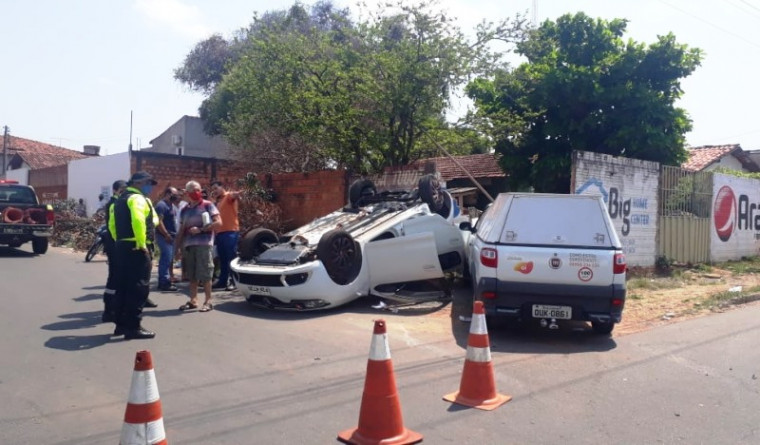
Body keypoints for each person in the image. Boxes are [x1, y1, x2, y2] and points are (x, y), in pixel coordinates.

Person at [109, 170, 160, 339]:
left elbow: (112, 225)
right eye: (148, 183)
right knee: (138, 288)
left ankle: (120, 325)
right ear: (138, 183)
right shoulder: (137, 198)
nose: (150, 187)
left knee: (122, 287)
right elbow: (138, 220)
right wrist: (141, 243)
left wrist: (119, 241)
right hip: (136, 247)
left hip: (122, 246)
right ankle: (133, 327)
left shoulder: (120, 200)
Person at [175, 180, 221, 313]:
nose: (196, 192)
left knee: (206, 274)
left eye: (198, 189)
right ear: (187, 192)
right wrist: (177, 248)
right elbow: (181, 230)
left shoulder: (208, 205)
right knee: (191, 275)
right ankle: (193, 300)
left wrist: (201, 229)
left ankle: (208, 301)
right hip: (189, 246)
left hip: (204, 244)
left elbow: (218, 222)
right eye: (193, 190)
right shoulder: (185, 210)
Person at [101, 179, 127, 323]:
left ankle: (112, 309)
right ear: (115, 190)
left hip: (115, 245)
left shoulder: (117, 202)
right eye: (121, 189)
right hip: (115, 245)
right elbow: (114, 226)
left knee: (116, 277)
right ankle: (109, 310)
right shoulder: (114, 204)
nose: (123, 191)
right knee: (115, 278)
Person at [210, 180, 240, 291]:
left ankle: (234, 281)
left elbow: (233, 195)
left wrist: (237, 194)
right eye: (213, 189)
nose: (214, 191)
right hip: (220, 233)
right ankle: (222, 281)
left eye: (216, 188)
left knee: (231, 258)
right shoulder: (218, 201)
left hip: (230, 231)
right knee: (222, 258)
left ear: (222, 187)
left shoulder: (228, 196)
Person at [155, 187, 180, 292]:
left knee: (169, 259)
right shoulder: (161, 205)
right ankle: (163, 282)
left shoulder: (172, 206)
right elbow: (158, 222)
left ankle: (166, 279)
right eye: (174, 194)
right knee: (166, 258)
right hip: (164, 236)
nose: (176, 196)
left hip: (172, 236)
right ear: (168, 194)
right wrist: (166, 234)